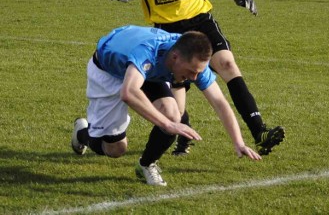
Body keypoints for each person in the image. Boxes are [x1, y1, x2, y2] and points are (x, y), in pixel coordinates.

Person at [108, 0, 285, 157]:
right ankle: (183, 134)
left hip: (201, 20)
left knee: (227, 65)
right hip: (167, 31)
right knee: (178, 93)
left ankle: (259, 131)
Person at [70, 25, 261, 186]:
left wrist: (238, 142)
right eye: (191, 71)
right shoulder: (148, 52)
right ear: (175, 57)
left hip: (149, 73)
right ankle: (82, 133)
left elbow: (220, 103)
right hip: (108, 71)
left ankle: (146, 164)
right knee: (116, 150)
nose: (194, 78)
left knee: (172, 114)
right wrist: (167, 125)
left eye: (198, 73)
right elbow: (128, 93)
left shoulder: (190, 59)